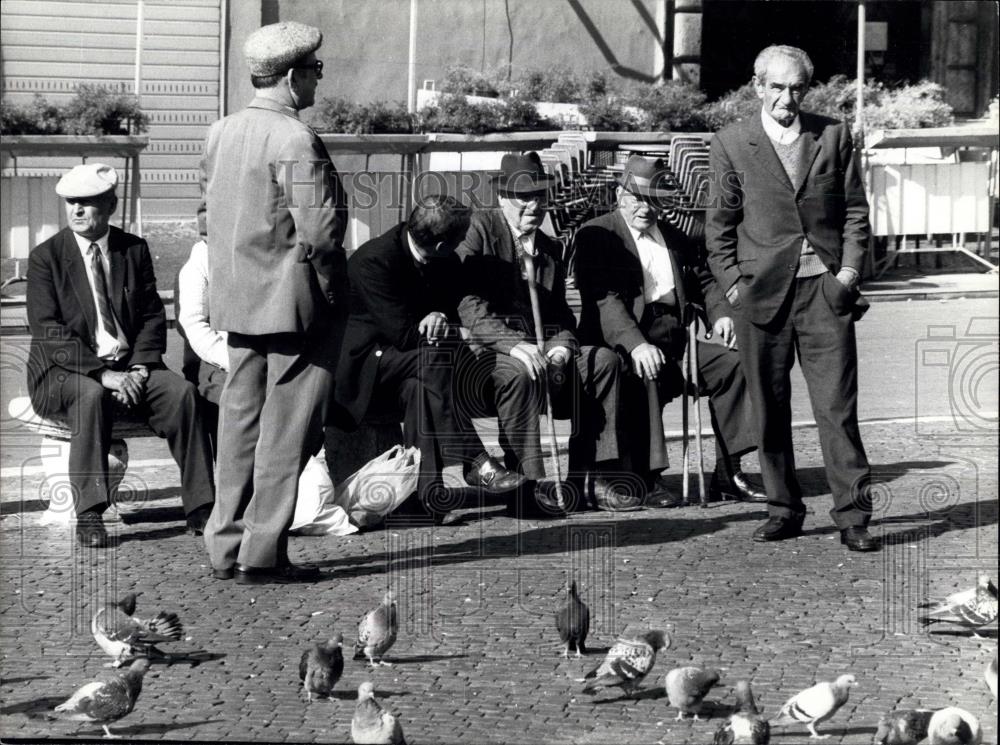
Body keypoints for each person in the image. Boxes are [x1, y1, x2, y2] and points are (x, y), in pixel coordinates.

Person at [705, 44, 877, 552]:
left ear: (807, 88)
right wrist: (735, 285)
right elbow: (719, 230)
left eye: (797, 87)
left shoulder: (833, 134)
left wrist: (846, 272)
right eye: (777, 87)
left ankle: (852, 516)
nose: (787, 97)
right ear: (758, 86)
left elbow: (854, 212)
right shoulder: (732, 143)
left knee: (837, 410)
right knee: (768, 409)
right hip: (760, 296)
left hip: (824, 292)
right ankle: (783, 507)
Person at [199, 20, 349, 583]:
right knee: (285, 431)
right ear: (290, 77)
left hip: (240, 305)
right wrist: (334, 294)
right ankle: (263, 554)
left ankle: (226, 546)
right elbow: (322, 233)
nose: (316, 80)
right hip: (295, 307)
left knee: (238, 427)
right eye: (314, 71)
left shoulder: (221, 130)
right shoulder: (294, 138)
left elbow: (205, 217)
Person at [25, 163, 215, 548]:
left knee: (182, 395)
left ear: (110, 205)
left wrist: (142, 366)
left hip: (131, 367)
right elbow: (48, 331)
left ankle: (203, 508)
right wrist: (102, 375)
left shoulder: (133, 250)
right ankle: (90, 513)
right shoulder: (46, 257)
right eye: (71, 203)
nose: (76, 210)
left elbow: (150, 315)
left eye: (87, 203)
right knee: (90, 395)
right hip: (63, 373)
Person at [574, 155, 765, 506]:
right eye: (638, 199)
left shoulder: (676, 237)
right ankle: (648, 478)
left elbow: (705, 281)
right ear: (620, 195)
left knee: (734, 364)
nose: (646, 208)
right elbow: (605, 302)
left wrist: (721, 315)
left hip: (678, 338)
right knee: (647, 370)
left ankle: (728, 470)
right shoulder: (597, 234)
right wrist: (636, 344)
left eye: (655, 200)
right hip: (623, 340)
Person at [456, 152, 641, 516]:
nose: (533, 205)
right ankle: (529, 487)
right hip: (489, 361)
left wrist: (559, 349)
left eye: (539, 197)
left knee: (602, 361)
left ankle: (588, 480)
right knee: (520, 371)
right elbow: (468, 305)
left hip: (544, 358)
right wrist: (516, 345)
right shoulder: (479, 230)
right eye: (524, 197)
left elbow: (560, 318)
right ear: (502, 198)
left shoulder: (551, 248)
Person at [334, 195, 527, 523]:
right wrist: (443, 324)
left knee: (421, 389)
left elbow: (448, 315)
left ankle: (428, 500)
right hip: (366, 363)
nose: (462, 243)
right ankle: (476, 459)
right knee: (432, 360)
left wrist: (444, 320)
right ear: (440, 244)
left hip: (419, 364)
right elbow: (406, 335)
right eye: (459, 238)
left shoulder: (445, 261)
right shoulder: (374, 261)